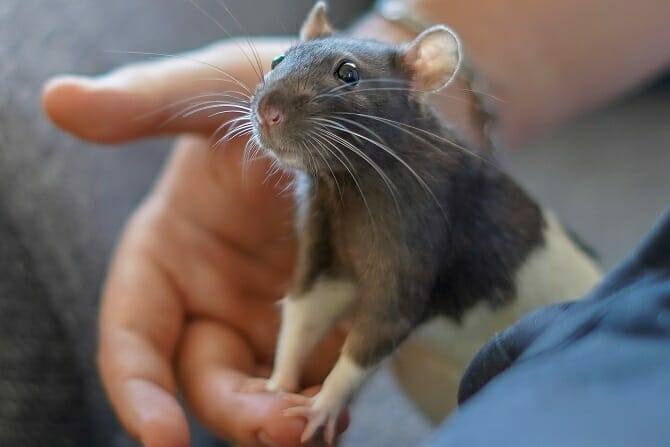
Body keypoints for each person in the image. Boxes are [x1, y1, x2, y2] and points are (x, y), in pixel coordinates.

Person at [40, 1, 670, 446]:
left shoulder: (420, 203)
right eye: (287, 61)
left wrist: (327, 395)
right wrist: (286, 380)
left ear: (422, 72)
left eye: (341, 72)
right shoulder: (335, 182)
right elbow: (316, 287)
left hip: (572, 353)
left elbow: (389, 305)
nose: (269, 105)